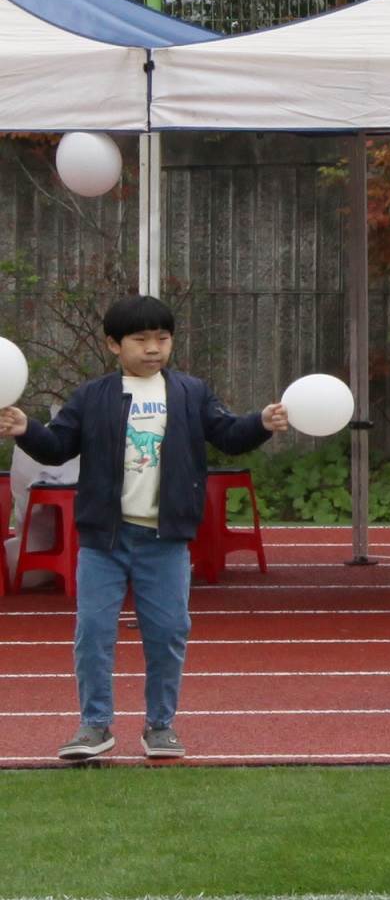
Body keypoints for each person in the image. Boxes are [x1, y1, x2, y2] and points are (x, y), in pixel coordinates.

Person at [5, 297, 287, 761]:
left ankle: (160, 726)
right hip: (104, 541)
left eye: (163, 338)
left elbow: (229, 436)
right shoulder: (92, 395)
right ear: (113, 344)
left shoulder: (191, 392)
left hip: (166, 540)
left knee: (169, 633)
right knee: (93, 634)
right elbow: (57, 447)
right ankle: (95, 725)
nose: (154, 348)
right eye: (140, 339)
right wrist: (27, 428)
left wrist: (261, 423)